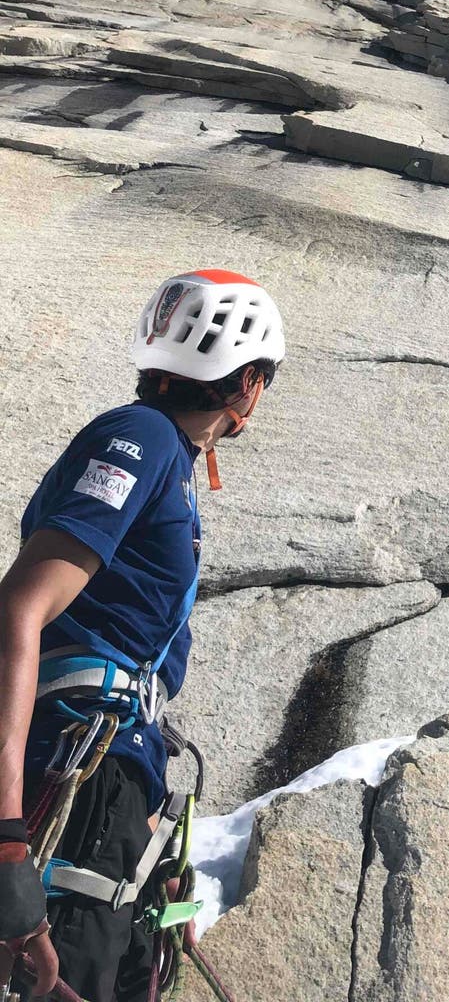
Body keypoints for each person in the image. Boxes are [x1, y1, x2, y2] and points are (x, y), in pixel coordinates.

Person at [0, 270, 284, 1001]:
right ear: (249, 384)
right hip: (74, 767)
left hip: (110, 773)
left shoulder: (167, 458)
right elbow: (20, 611)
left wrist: (152, 844)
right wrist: (7, 840)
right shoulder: (142, 437)